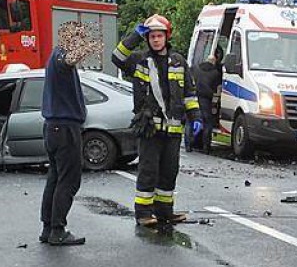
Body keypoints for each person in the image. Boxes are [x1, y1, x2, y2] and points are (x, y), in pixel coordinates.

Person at [111, 14, 202, 228]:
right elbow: (117, 57)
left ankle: (164, 213)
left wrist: (196, 117)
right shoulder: (140, 60)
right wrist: (135, 36)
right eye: (151, 36)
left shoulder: (178, 62)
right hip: (149, 128)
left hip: (172, 130)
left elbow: (189, 93)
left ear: (166, 37)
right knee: (148, 171)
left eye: (159, 35)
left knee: (169, 172)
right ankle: (143, 213)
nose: (155, 40)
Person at [40, 21, 102, 246]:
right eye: (77, 37)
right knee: (68, 181)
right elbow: (68, 59)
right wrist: (86, 48)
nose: (81, 41)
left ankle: (48, 228)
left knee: (55, 179)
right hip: (65, 129)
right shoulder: (61, 57)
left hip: (54, 127)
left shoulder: (55, 58)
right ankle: (58, 229)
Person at [191, 47, 224, 153]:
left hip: (194, 97)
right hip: (207, 99)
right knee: (207, 123)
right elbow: (218, 86)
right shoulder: (215, 72)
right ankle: (206, 146)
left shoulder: (196, 68)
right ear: (214, 62)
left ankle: (190, 144)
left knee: (191, 120)